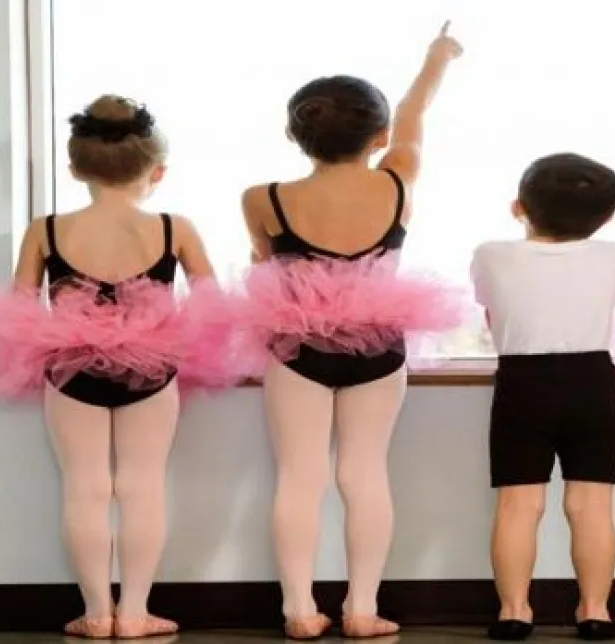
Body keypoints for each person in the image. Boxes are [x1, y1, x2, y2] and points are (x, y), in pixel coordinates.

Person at [0, 95, 230, 639]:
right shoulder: (173, 228)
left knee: (84, 487)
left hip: (72, 371)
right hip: (151, 370)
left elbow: (19, 308)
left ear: (75, 168)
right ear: (156, 170)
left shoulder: (45, 229)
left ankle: (94, 611)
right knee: (142, 486)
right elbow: (213, 302)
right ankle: (134, 612)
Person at [238, 21, 464, 640]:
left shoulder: (262, 198)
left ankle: (299, 611)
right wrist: (437, 57)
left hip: (298, 346)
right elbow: (415, 115)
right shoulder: (397, 182)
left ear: (295, 134)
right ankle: (362, 609)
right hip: (378, 345)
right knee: (365, 474)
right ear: (379, 136)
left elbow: (264, 263)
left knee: (299, 476)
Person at [471, 153, 615, 641]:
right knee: (592, 505)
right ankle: (596, 611)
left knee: (518, 505)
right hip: (593, 381)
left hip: (522, 381)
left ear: (518, 206)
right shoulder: (612, 256)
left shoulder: (490, 255)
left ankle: (514, 612)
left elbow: (492, 317)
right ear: (605, 217)